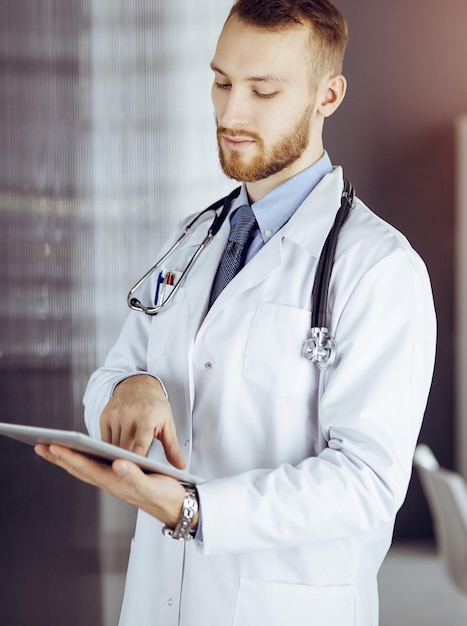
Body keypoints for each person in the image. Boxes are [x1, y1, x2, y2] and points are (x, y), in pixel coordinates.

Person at [35, 1, 437, 625]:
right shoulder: (192, 239)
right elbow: (110, 378)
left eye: (263, 90)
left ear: (328, 96)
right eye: (221, 81)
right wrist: (132, 388)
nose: (230, 112)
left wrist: (193, 510)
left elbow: (366, 484)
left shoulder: (379, 268)